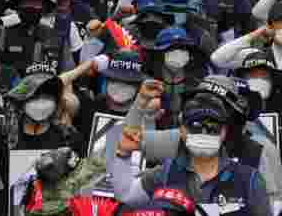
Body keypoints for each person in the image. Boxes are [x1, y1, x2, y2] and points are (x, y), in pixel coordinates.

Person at [109, 78, 271, 216]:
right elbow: (129, 138)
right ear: (183, 129)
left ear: (225, 128)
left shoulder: (251, 173)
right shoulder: (166, 169)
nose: (204, 131)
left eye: (212, 126)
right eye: (195, 124)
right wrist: (140, 104)